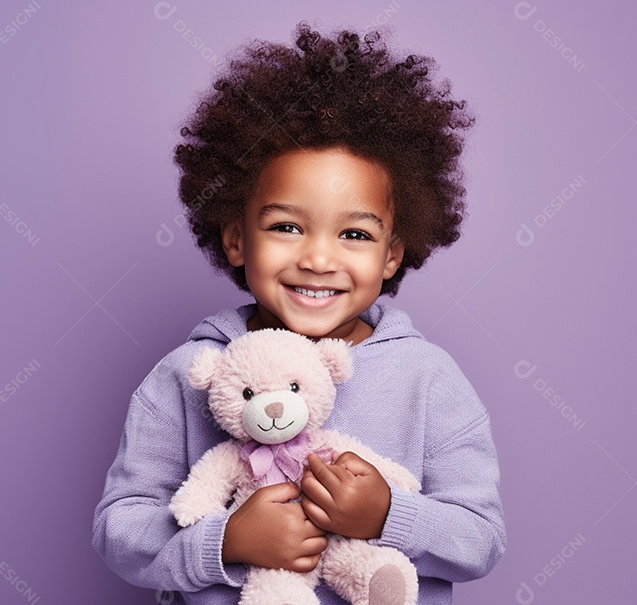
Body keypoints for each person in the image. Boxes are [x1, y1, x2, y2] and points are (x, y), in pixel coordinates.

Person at [92, 22, 505, 604]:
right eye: (287, 226)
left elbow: (481, 538)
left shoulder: (430, 379)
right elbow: (120, 530)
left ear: (392, 255)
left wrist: (389, 515)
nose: (317, 257)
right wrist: (226, 541)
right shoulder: (188, 373)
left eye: (354, 233)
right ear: (236, 239)